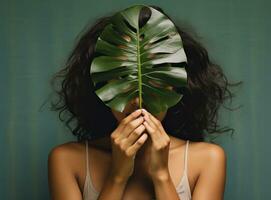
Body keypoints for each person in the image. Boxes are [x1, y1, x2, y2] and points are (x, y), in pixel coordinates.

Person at [47, 4, 240, 200]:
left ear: (175, 82)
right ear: (101, 83)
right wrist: (117, 176)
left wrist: (161, 176)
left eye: (155, 78)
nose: (138, 99)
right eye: (122, 77)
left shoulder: (207, 159)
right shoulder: (67, 160)